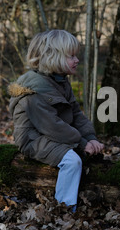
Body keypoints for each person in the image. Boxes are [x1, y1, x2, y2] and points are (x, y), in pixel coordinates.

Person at [8, 29, 104, 211]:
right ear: (52, 57)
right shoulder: (33, 90)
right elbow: (51, 126)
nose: (77, 60)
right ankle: (64, 209)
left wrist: (91, 138)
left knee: (85, 157)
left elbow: (76, 115)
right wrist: (82, 143)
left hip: (56, 135)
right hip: (33, 139)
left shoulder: (61, 82)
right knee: (72, 162)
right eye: (71, 56)